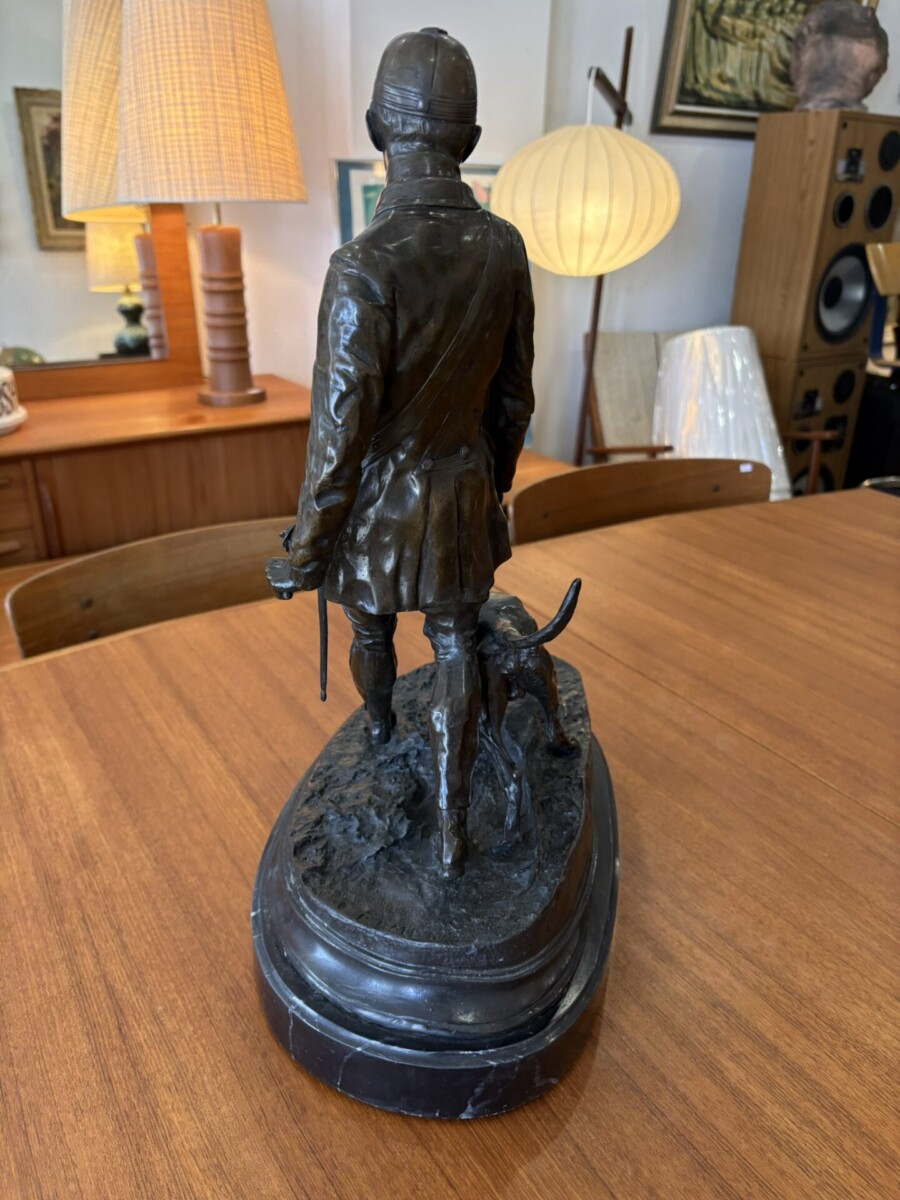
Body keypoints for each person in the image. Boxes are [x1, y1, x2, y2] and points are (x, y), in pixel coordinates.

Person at [282, 28, 535, 878]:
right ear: (470, 138)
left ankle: (381, 731)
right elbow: (515, 399)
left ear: (375, 130)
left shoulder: (361, 265)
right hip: (462, 495)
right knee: (458, 642)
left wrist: (307, 549)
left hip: (379, 515)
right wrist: (489, 489)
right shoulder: (504, 247)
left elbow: (339, 431)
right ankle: (455, 830)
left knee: (369, 624)